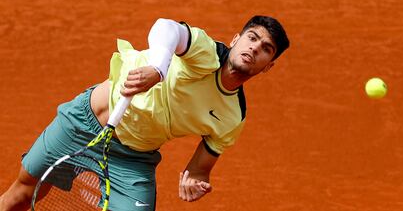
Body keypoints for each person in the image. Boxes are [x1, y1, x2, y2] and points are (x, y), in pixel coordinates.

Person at [0, 15, 289, 211]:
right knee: (21, 194)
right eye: (251, 38)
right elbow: (167, 27)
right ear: (236, 38)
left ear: (268, 65)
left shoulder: (232, 116)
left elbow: (199, 169)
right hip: (83, 123)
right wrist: (158, 68)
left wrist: (193, 182)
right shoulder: (206, 52)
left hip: (133, 158)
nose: (254, 48)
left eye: (266, 49)